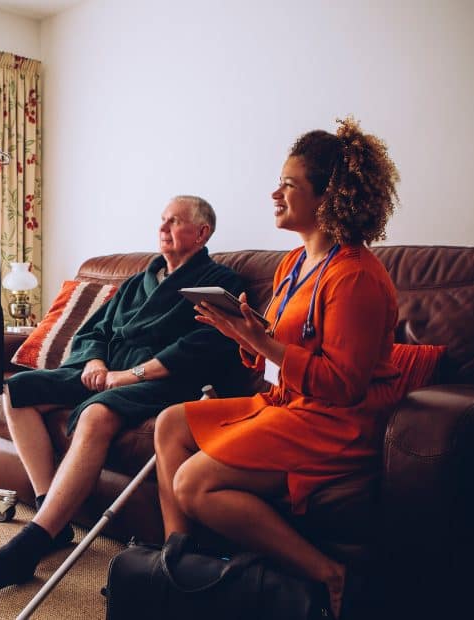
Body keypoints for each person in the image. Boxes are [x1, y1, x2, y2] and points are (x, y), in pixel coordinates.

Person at [152, 117, 401, 619]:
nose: (275, 193)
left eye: (289, 184)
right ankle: (178, 567)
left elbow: (345, 385)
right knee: (170, 424)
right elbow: (276, 350)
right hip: (287, 404)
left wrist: (267, 345)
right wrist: (243, 337)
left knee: (193, 482)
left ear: (326, 197)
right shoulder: (292, 264)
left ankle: (329, 574)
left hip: (333, 422)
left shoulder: (354, 276)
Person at [0, 195, 247, 589]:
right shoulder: (136, 281)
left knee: (97, 414)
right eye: (162, 220)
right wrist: (95, 362)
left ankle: (33, 541)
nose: (163, 227)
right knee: (18, 390)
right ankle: (51, 509)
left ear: (202, 233)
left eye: (175, 222)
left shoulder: (220, 283)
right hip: (104, 368)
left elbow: (201, 346)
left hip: (159, 380)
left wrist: (127, 375)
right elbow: (94, 330)